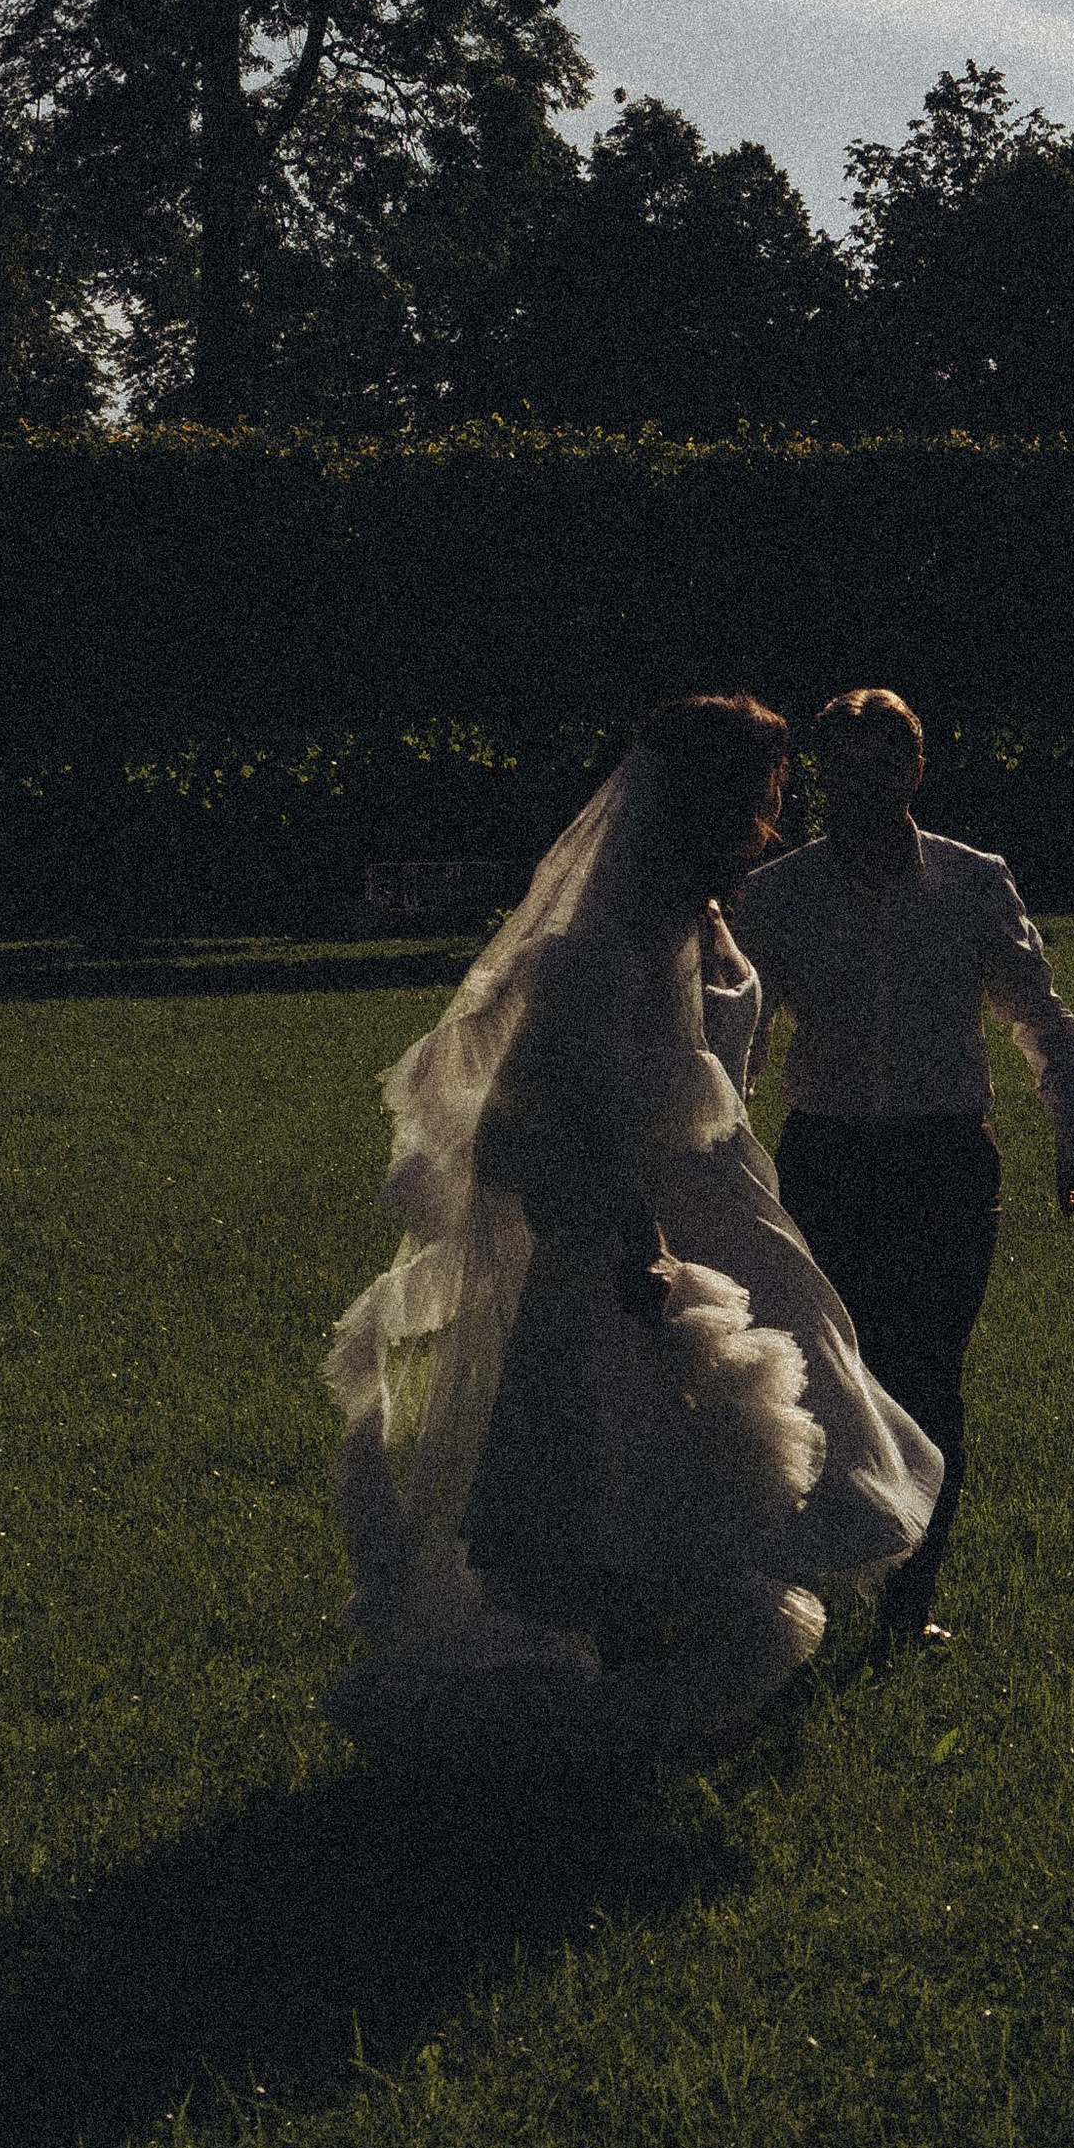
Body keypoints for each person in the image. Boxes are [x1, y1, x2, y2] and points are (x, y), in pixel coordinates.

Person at [325, 695, 944, 1760]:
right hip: (636, 1241)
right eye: (762, 800)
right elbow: (539, 1114)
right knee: (631, 1472)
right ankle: (644, 1711)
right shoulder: (595, 947)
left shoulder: (696, 916)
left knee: (774, 1462)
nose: (774, 822)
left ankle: (704, 1704)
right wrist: (633, 1240)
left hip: (734, 1212)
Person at [733, 687, 1074, 1649]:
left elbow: (1038, 1018)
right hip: (827, 1158)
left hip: (944, 1158)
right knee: (820, 1379)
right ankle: (807, 1591)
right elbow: (744, 1038)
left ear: (916, 770)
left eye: (881, 764)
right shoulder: (777, 896)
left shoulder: (975, 882)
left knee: (930, 1378)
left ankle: (907, 1608)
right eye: (841, 768)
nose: (861, 786)